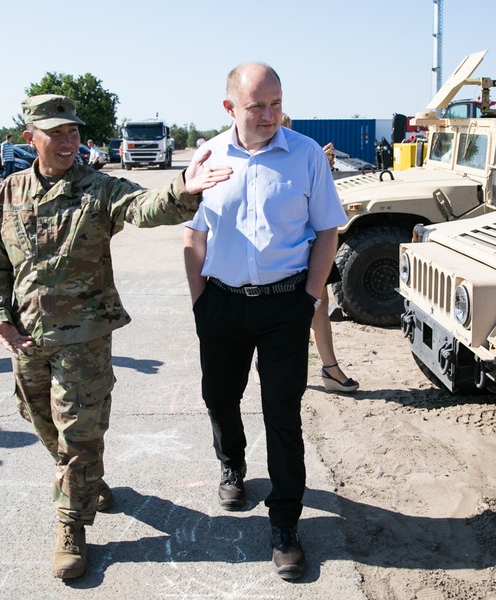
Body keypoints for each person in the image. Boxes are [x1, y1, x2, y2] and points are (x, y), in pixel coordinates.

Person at [0, 93, 231, 580]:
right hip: (26, 339)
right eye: (56, 132)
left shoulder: (97, 188)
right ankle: (88, 480)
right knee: (44, 427)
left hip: (84, 340)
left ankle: (71, 524)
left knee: (78, 434)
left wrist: (184, 188)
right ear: (30, 137)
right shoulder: (6, 194)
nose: (68, 140)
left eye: (73, 131)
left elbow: (144, 206)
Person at [183, 63, 346, 580]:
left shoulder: (304, 156)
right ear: (230, 107)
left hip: (284, 306)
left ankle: (285, 524)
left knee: (282, 412)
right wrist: (201, 302)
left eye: (276, 103)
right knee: (219, 397)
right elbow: (192, 236)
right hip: (223, 305)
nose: (270, 114)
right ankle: (232, 462)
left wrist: (309, 299)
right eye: (258, 105)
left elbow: (327, 232)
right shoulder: (207, 154)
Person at [281, 114, 358, 393]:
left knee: (318, 307)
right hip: (297, 249)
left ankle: (329, 368)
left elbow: (321, 203)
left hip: (315, 245)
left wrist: (323, 168)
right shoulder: (279, 162)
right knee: (305, 310)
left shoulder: (302, 156)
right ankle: (325, 369)